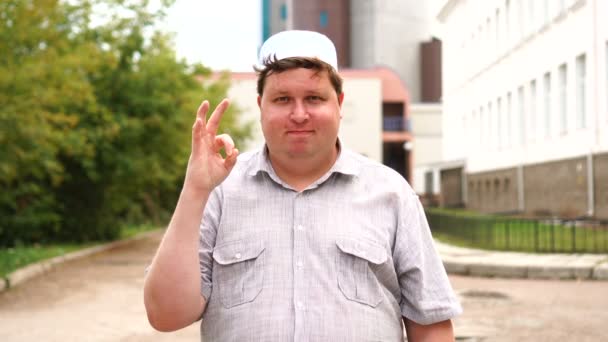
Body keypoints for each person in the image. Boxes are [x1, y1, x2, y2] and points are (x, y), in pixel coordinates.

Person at [144, 30, 462, 341]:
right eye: (282, 99)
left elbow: (431, 325)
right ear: (261, 105)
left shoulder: (392, 193)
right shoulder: (219, 191)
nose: (299, 114)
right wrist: (195, 190)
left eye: (314, 98)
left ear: (338, 103)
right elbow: (166, 315)